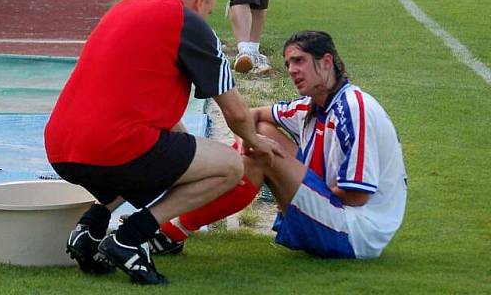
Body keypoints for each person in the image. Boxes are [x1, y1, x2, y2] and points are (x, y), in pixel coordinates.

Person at [44, 0, 282, 285]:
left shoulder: (123, 8)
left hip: (61, 147)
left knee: (157, 158)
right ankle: (130, 238)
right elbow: (236, 112)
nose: (207, 18)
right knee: (229, 167)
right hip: (113, 146)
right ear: (200, 1)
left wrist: (188, 157)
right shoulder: (189, 23)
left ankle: (90, 228)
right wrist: (255, 141)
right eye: (209, 12)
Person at [153, 30, 408, 260]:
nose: (292, 70)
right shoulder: (313, 105)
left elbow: (357, 195)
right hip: (338, 214)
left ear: (327, 62)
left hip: (357, 233)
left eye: (299, 61)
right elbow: (252, 116)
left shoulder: (353, 109)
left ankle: (171, 230)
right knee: (261, 135)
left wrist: (295, 190)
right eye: (288, 64)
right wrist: (246, 148)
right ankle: (174, 225)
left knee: (262, 154)